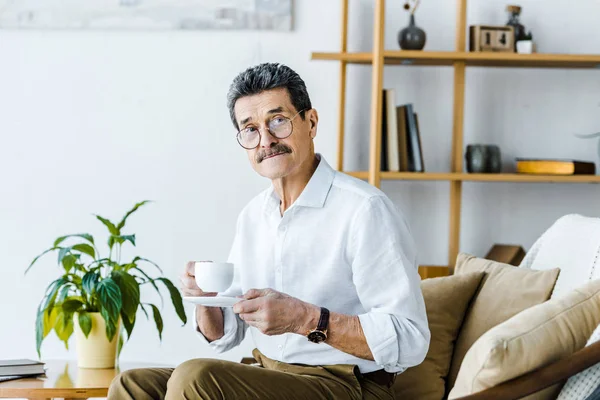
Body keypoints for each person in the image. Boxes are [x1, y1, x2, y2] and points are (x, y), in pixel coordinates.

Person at [108, 62, 430, 400]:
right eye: (250, 128)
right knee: (133, 384)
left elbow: (410, 340)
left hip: (346, 384)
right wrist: (205, 301)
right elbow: (225, 335)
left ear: (311, 122)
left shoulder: (365, 210)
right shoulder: (253, 215)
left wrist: (305, 318)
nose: (266, 140)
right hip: (270, 373)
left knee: (195, 376)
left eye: (278, 121)